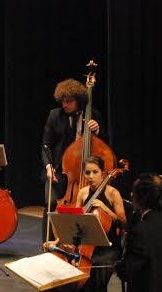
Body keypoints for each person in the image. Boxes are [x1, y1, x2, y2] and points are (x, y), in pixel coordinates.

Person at [43, 155, 126, 292]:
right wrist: (57, 242)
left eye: (95, 172)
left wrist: (106, 209)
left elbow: (124, 222)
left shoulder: (112, 193)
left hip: (107, 246)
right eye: (87, 172)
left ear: (103, 173)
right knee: (58, 257)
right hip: (84, 243)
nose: (90, 176)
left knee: (94, 265)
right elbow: (74, 222)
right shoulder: (82, 192)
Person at [41, 78, 104, 241]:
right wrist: (48, 166)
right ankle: (47, 244)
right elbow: (46, 145)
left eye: (69, 101)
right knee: (52, 203)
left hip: (82, 172)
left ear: (79, 101)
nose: (65, 105)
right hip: (58, 169)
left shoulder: (93, 115)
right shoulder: (55, 115)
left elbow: (102, 146)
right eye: (63, 101)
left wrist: (97, 131)